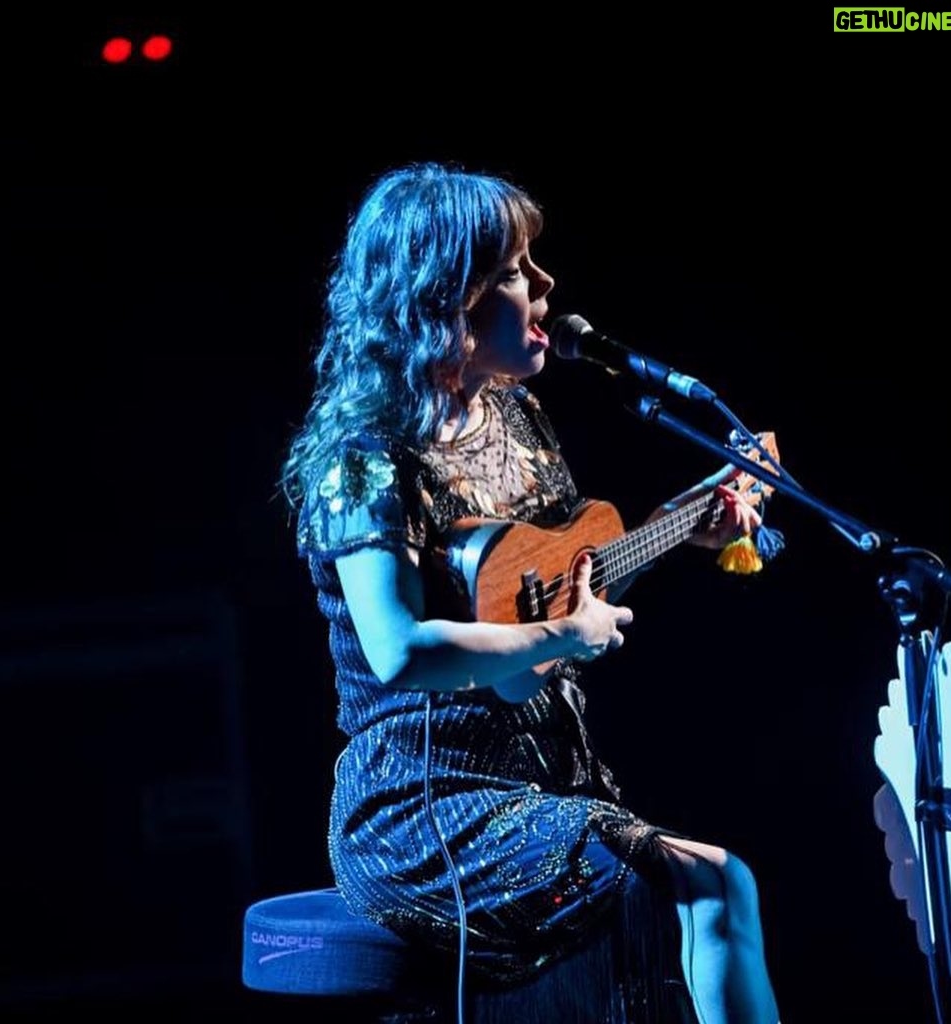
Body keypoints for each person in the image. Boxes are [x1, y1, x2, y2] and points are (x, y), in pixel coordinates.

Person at [281, 161, 781, 1024]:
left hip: (545, 774)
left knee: (684, 899)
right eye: (514, 270)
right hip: (425, 801)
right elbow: (399, 650)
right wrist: (562, 641)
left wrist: (683, 524)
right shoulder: (363, 458)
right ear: (443, 300)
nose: (546, 284)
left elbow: (552, 583)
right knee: (712, 882)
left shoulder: (516, 416)